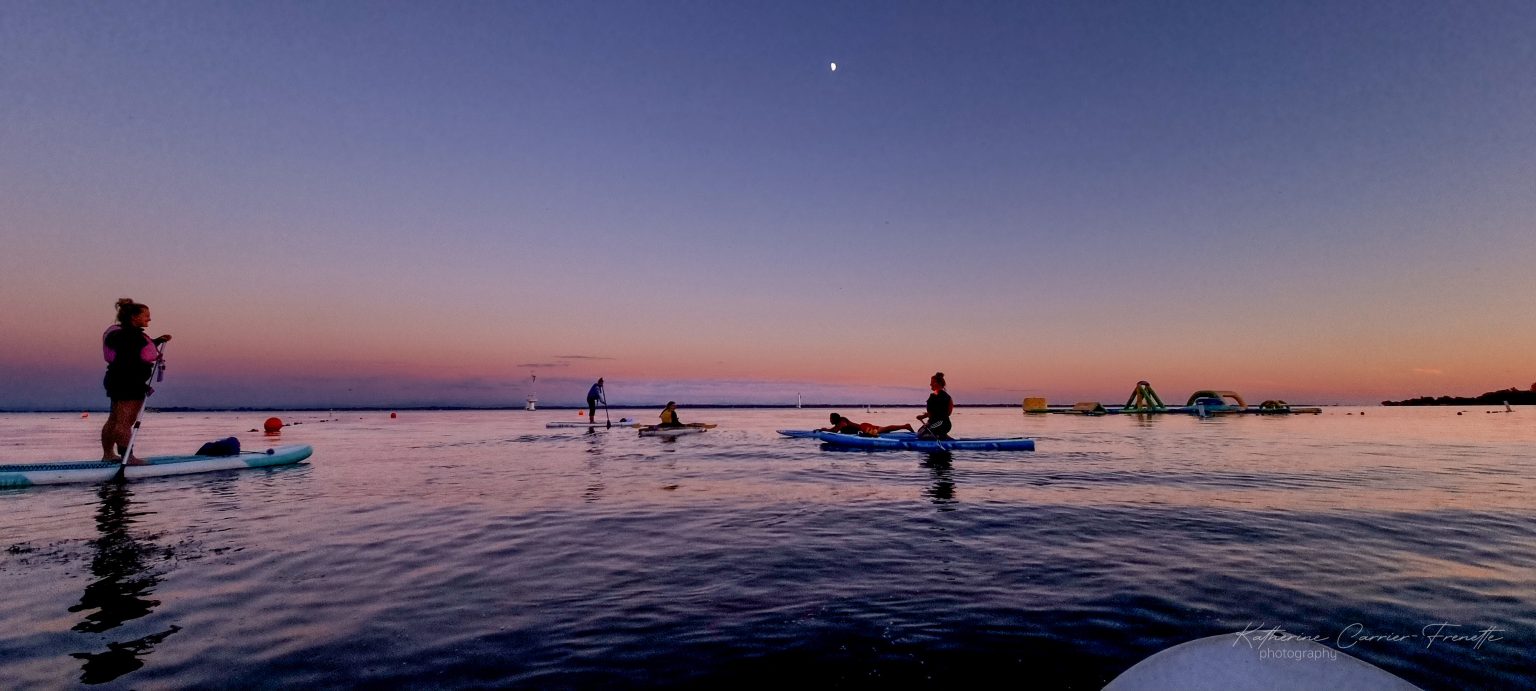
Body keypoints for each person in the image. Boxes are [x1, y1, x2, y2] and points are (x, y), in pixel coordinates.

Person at [101, 298, 171, 463]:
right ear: (134, 317)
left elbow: (136, 350)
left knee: (114, 419)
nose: (149, 319)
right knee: (125, 422)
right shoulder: (131, 337)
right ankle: (128, 457)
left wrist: (158, 340)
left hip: (116, 380)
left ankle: (108, 454)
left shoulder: (123, 334)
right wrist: (140, 385)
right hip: (129, 383)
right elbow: (130, 360)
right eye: (146, 315)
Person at [916, 371, 953, 440]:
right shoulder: (948, 397)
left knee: (921, 435)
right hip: (946, 424)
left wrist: (922, 416)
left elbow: (932, 413)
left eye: (932, 382)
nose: (930, 384)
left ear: (937, 383)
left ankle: (941, 437)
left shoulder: (933, 396)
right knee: (920, 432)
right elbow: (948, 413)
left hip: (939, 424)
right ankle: (942, 435)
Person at [820, 413, 914, 437]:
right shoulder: (839, 423)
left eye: (830, 418)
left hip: (865, 428)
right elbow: (835, 429)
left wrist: (826, 430)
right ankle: (905, 426)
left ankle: (905, 426)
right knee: (885, 430)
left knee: (884, 429)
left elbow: (835, 430)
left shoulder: (842, 421)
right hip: (864, 427)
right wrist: (826, 429)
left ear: (834, 419)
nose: (830, 420)